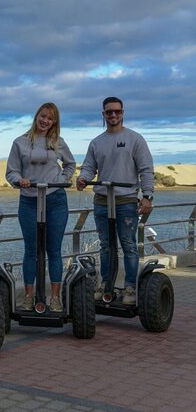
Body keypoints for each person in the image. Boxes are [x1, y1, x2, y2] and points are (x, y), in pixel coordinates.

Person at [76, 96, 154, 305]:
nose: (113, 115)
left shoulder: (135, 139)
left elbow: (146, 170)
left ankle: (130, 287)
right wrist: (83, 178)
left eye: (117, 111)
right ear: (103, 114)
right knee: (106, 246)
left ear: (122, 113)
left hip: (126, 201)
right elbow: (89, 167)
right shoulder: (96, 142)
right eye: (109, 112)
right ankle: (106, 284)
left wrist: (147, 196)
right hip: (102, 201)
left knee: (128, 245)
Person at [5, 102, 76, 312]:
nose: (45, 121)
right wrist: (20, 180)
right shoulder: (20, 142)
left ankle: (55, 298)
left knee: (53, 250)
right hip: (29, 200)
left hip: (55, 200)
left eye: (50, 118)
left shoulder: (58, 143)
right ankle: (28, 297)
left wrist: (61, 180)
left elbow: (71, 164)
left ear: (54, 122)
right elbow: (11, 172)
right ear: (36, 116)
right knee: (31, 250)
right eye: (42, 116)